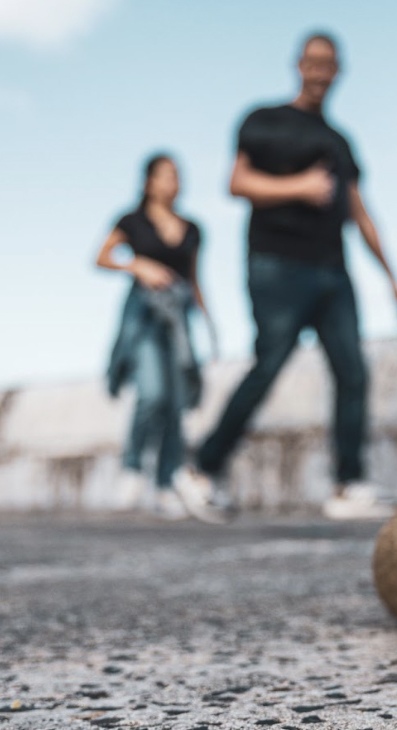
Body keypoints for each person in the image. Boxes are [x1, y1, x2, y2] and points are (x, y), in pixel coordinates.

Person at [189, 31, 397, 520]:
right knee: (269, 365)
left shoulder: (340, 142)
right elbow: (237, 182)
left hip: (334, 270)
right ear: (298, 66)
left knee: (353, 371)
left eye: (328, 64)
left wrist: (392, 279)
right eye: (312, 62)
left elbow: (360, 212)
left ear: (338, 72)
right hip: (276, 265)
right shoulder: (263, 120)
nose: (319, 72)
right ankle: (203, 468)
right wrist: (300, 187)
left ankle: (347, 485)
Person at [95, 153, 221, 520]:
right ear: (148, 181)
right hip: (145, 314)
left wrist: (208, 324)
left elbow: (196, 279)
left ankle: (166, 482)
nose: (173, 182)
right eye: (166, 176)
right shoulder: (131, 221)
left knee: (177, 402)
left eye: (177, 176)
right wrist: (136, 264)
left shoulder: (193, 228)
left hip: (179, 318)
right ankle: (133, 468)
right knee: (152, 392)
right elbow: (101, 257)